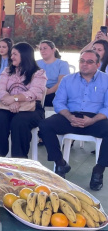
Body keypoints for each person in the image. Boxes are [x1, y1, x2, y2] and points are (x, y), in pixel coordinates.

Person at [39, 50, 108, 191]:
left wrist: (92, 120)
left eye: (89, 62)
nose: (85, 64)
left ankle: (99, 170)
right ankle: (60, 162)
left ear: (98, 64)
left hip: (95, 118)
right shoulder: (68, 80)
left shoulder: (106, 80)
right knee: (45, 125)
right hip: (70, 116)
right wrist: (69, 116)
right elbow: (59, 103)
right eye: (82, 61)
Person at [0, 42, 47, 158]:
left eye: (15, 54)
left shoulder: (38, 73)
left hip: (31, 109)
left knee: (19, 122)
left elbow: (34, 92)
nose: (12, 57)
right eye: (12, 54)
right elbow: (0, 89)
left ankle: (19, 159)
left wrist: (15, 99)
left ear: (25, 55)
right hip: (8, 106)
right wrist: (10, 100)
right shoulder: (7, 71)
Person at [37, 40, 70, 107]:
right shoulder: (36, 63)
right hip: (38, 90)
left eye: (45, 48)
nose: (42, 51)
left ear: (53, 50)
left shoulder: (62, 64)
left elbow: (61, 82)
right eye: (40, 49)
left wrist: (47, 92)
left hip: (55, 91)